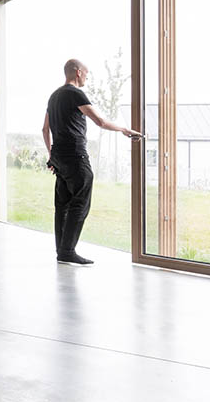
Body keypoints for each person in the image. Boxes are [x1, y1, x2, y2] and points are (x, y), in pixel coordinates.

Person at [42, 58, 142, 265]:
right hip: (76, 156)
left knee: (63, 204)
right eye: (86, 73)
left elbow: (45, 129)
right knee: (80, 202)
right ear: (78, 72)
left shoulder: (54, 96)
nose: (87, 77)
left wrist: (52, 155)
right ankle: (67, 251)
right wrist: (124, 129)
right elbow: (100, 121)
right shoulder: (75, 93)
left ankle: (61, 250)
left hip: (59, 157)